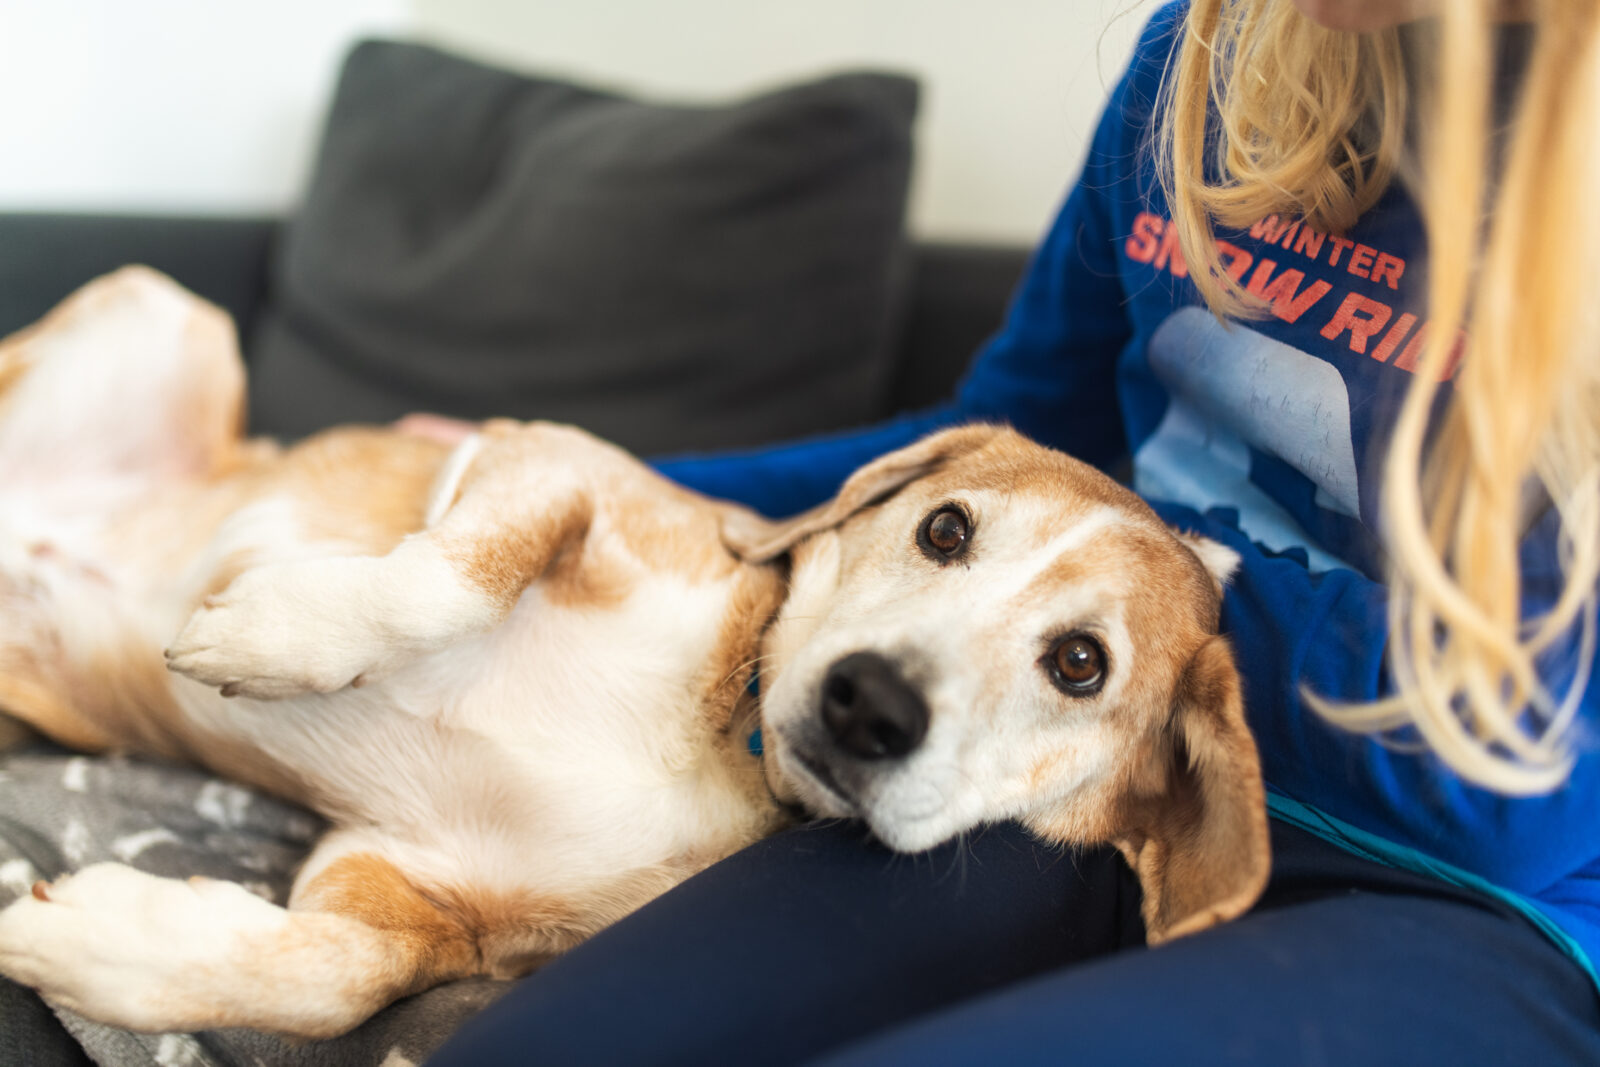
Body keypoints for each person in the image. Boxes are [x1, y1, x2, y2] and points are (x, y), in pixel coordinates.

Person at [428, 1, 1600, 1062]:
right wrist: (604, 475)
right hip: (1075, 776)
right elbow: (1011, 442)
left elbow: (1519, 802)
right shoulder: (1209, 49)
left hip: (1469, 904)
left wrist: (1148, 586)